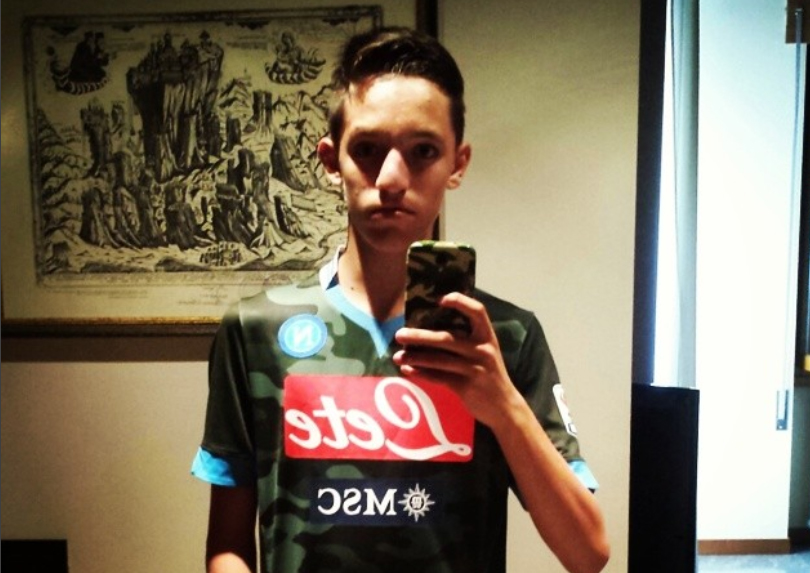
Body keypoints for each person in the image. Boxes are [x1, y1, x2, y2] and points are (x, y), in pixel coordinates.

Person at [191, 26, 610, 573]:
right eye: (367, 149)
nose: (391, 178)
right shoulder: (254, 329)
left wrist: (503, 407)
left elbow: (587, 553)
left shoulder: (505, 338)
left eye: (422, 151)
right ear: (330, 161)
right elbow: (227, 543)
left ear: (457, 163)